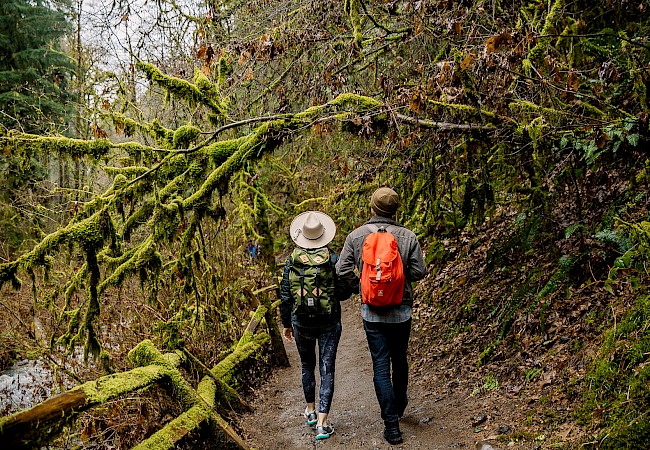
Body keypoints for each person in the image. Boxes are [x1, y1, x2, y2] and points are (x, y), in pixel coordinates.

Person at [335, 187, 427, 445]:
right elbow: (420, 271)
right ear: (396, 210)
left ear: (372, 208)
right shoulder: (407, 236)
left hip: (372, 312)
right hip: (402, 310)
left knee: (380, 364)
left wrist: (362, 288)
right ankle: (400, 406)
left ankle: (392, 427)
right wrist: (400, 280)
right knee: (399, 359)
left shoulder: (356, 236)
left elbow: (341, 269)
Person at [279, 211, 350, 440]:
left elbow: (286, 295)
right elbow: (343, 291)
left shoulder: (292, 260)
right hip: (329, 322)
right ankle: (322, 422)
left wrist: (286, 323)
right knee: (327, 367)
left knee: (307, 365)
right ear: (323, 235)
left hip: (301, 323)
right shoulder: (333, 259)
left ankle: (310, 411)